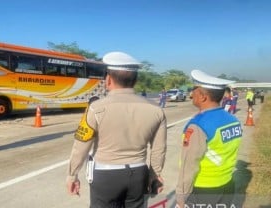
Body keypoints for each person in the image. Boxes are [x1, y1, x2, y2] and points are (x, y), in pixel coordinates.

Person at [66, 51, 167, 208]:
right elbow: (159, 149)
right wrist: (154, 175)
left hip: (106, 176)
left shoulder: (95, 108)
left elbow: (81, 145)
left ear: (108, 79)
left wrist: (72, 175)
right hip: (138, 174)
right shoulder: (156, 110)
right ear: (135, 80)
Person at [176, 70, 242, 208]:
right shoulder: (232, 119)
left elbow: (189, 165)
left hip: (203, 188)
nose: (191, 93)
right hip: (227, 184)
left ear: (202, 97)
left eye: (194, 89)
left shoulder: (198, 125)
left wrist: (181, 198)